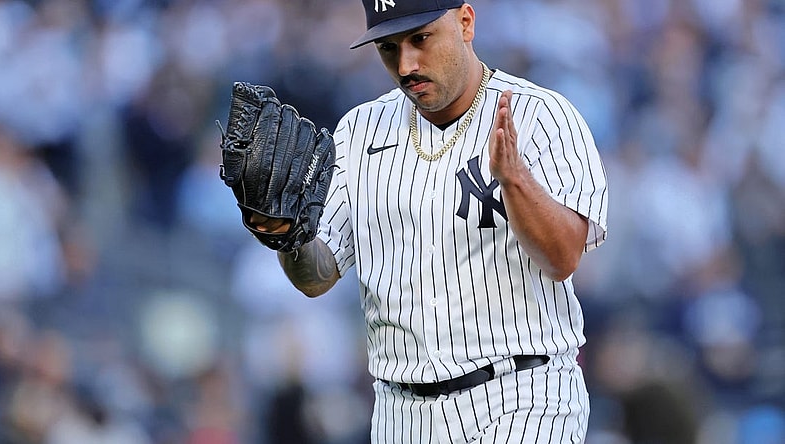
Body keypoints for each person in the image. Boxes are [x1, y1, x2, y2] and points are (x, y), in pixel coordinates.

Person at [248, 0, 608, 442]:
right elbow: (317, 277)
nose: (406, 64)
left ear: (465, 22)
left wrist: (515, 180)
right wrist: (286, 235)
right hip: (400, 412)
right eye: (388, 47)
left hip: (521, 394)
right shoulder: (359, 132)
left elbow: (562, 257)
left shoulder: (541, 116)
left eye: (420, 39)